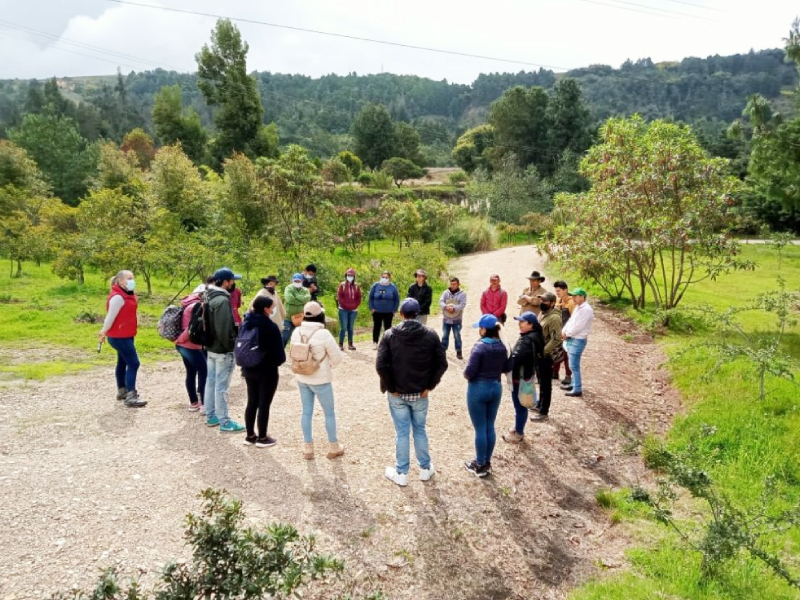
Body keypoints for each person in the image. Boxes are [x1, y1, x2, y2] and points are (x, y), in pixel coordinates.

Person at [376, 298, 448, 487]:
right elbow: (442, 363)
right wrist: (429, 386)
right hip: (420, 393)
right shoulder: (430, 334)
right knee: (420, 430)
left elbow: (381, 366)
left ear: (401, 314)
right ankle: (425, 469)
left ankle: (401, 472)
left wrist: (391, 388)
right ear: (418, 313)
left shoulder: (390, 334)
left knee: (401, 433)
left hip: (398, 394)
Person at [291, 301, 345, 460]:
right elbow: (337, 359)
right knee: (329, 413)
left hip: (302, 377)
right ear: (320, 315)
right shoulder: (324, 334)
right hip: (321, 380)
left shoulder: (296, 331)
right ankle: (333, 446)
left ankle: (308, 448)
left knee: (306, 412)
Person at [463, 314, 513, 478]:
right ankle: (487, 462)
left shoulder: (480, 347)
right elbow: (506, 368)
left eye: (480, 327)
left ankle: (479, 464)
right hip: (495, 387)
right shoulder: (503, 346)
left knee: (480, 428)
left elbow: (469, 372)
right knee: (490, 425)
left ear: (485, 329)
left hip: (478, 388)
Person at [241, 296, 286, 447]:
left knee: (251, 401)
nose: (273, 310)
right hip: (267, 370)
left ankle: (250, 435)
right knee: (264, 403)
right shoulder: (271, 327)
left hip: (248, 368)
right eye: (272, 307)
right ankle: (262, 437)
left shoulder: (246, 323)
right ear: (266, 309)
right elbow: (280, 356)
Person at [205, 267, 245, 432]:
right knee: (221, 387)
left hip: (211, 347)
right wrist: (231, 347)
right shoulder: (222, 301)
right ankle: (225, 421)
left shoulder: (209, 296)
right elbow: (223, 329)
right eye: (232, 280)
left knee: (211, 382)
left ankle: (211, 415)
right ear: (226, 281)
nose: (233, 283)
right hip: (222, 350)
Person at [99, 270, 147, 407]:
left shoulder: (127, 294)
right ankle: (130, 395)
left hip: (126, 334)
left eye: (133, 278)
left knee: (122, 362)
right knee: (134, 363)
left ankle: (122, 390)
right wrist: (103, 332)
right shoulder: (118, 298)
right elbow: (110, 318)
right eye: (129, 278)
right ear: (120, 281)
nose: (132, 281)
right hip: (119, 336)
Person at [503, 311, 543, 444]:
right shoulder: (534, 336)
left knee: (520, 407)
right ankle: (518, 427)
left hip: (519, 378)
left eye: (522, 322)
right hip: (526, 375)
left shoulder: (526, 341)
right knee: (521, 406)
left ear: (531, 324)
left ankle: (519, 434)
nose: (519, 324)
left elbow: (515, 360)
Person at [175, 284, 208, 412]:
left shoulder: (187, 303)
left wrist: (178, 341)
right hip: (190, 345)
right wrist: (180, 339)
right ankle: (205, 404)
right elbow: (192, 328)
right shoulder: (197, 306)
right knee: (204, 372)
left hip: (183, 346)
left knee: (191, 372)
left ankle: (194, 403)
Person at [531, 292, 562, 422]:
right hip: (539, 353)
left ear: (552, 303)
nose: (542, 303)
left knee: (546, 383)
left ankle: (544, 411)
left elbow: (556, 339)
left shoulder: (554, 318)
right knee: (541, 381)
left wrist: (544, 352)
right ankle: (540, 404)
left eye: (545, 301)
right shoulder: (542, 313)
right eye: (541, 300)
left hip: (546, 355)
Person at [561, 288, 594, 398]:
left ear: (582, 297)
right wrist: (564, 331)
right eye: (573, 296)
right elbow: (571, 321)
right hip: (572, 337)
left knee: (574, 365)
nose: (573, 298)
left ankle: (577, 388)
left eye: (576, 296)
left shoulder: (586, 310)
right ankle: (573, 384)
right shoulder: (578, 307)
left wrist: (567, 333)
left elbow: (579, 326)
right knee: (572, 363)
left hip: (578, 338)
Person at [552, 280, 576, 387]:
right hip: (558, 330)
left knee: (567, 355)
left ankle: (568, 376)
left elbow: (574, 319)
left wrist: (569, 332)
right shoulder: (558, 300)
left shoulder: (572, 303)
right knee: (556, 351)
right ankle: (554, 372)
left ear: (565, 290)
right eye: (556, 291)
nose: (557, 293)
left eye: (559, 291)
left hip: (568, 332)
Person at [368, 270, 400, 349]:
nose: (384, 278)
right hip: (377, 311)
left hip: (388, 311)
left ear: (389, 278)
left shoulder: (392, 287)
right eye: (383, 277)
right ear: (380, 276)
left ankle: (387, 343)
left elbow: (396, 299)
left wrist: (394, 309)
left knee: (388, 328)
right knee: (376, 327)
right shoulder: (376, 286)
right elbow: (370, 297)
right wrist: (371, 308)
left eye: (386, 277)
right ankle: (375, 342)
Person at [439, 277, 467, 360]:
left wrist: (454, 308)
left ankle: (459, 351)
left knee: (457, 335)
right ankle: (443, 351)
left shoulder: (462, 294)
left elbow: (462, 304)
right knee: (445, 335)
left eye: (454, 284)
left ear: (458, 284)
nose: (452, 286)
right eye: (451, 284)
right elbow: (441, 301)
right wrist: (445, 307)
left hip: (457, 320)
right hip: (446, 319)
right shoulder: (445, 293)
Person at [283, 273, 312, 347]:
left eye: (299, 281)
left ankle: (297, 354)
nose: (297, 283)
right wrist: (301, 300)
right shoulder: (288, 288)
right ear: (292, 281)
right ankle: (280, 355)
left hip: (300, 318)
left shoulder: (305, 290)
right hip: (288, 318)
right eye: (295, 281)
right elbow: (289, 299)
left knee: (300, 339)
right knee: (284, 338)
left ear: (302, 281)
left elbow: (307, 299)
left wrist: (296, 296)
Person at [337, 268, 362, 351]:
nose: (350, 277)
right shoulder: (342, 285)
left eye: (351, 275)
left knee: (350, 327)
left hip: (353, 310)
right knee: (343, 327)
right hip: (343, 309)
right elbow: (340, 297)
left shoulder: (357, 286)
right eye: (348, 275)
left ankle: (350, 344)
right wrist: (345, 305)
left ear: (354, 276)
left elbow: (359, 297)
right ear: (346, 276)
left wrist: (355, 305)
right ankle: (340, 344)